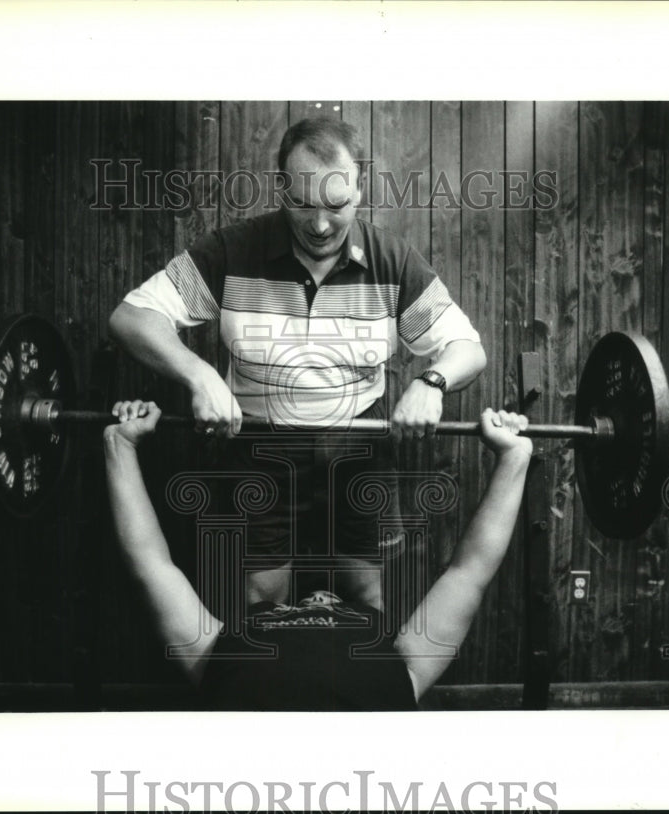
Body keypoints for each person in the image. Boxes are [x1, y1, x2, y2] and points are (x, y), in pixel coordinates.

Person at [108, 117, 486, 609]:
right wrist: (198, 374)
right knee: (261, 597)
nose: (322, 224)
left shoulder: (394, 260)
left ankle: (359, 685)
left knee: (367, 592)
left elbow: (468, 349)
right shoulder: (232, 249)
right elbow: (131, 317)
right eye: (303, 204)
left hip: (360, 446)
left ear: (359, 187)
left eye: (337, 204)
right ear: (281, 187)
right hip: (259, 446)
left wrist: (432, 383)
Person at [104, 400, 531, 711]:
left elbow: (151, 565)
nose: (320, 594)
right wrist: (513, 456)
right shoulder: (408, 666)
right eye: (330, 600)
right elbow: (468, 572)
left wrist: (121, 447)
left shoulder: (213, 654)